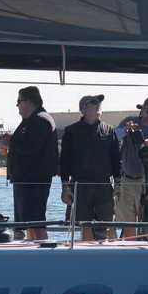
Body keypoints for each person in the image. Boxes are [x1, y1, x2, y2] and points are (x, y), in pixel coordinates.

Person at [59, 94, 121, 241]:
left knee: (108, 223)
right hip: (80, 185)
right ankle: (87, 250)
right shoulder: (71, 131)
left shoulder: (109, 130)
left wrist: (118, 183)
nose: (97, 105)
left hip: (104, 185)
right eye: (93, 102)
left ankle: (111, 250)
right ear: (82, 109)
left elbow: (116, 159)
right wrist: (65, 187)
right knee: (84, 224)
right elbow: (64, 161)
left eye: (99, 103)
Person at [5, 86, 58, 241]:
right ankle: (32, 246)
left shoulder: (41, 120)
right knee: (29, 221)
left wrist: (10, 144)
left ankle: (42, 247)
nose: (17, 105)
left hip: (34, 180)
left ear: (28, 102)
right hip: (25, 179)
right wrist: (11, 141)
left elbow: (32, 147)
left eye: (19, 101)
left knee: (36, 220)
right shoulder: (30, 121)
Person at [115, 96, 148, 239]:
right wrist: (126, 130)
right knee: (128, 222)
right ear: (142, 110)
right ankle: (130, 248)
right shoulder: (130, 121)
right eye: (147, 111)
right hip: (127, 180)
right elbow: (115, 134)